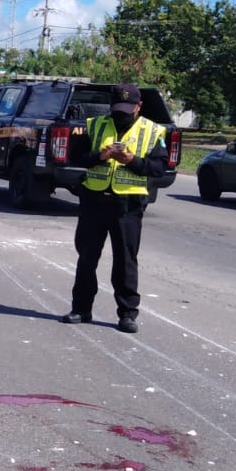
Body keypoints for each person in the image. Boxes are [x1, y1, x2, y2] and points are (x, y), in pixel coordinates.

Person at [59, 82, 169, 334]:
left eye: (128, 108)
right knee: (87, 257)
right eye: (118, 108)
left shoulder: (153, 132)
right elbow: (75, 156)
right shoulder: (95, 125)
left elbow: (158, 168)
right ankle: (81, 308)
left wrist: (132, 161)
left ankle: (128, 314)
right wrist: (100, 156)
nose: (122, 113)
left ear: (139, 107)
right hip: (94, 200)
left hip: (127, 205)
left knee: (126, 261)